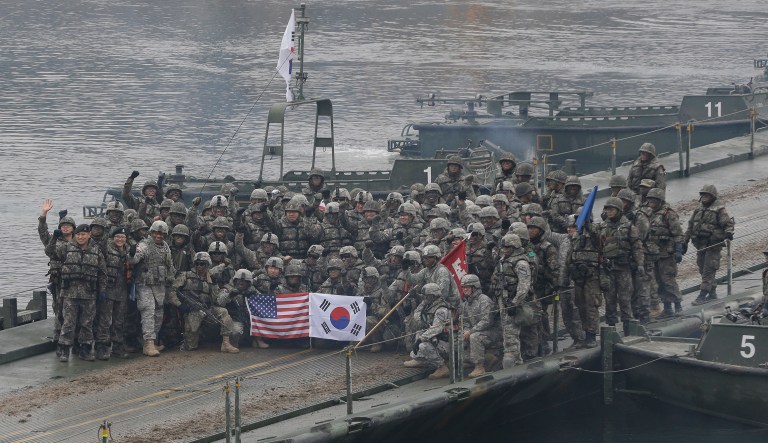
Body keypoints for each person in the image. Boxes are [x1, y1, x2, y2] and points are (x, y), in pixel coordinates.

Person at [46, 224, 107, 362]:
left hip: (89, 293)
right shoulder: (67, 247)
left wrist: (102, 290)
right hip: (70, 293)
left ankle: (85, 350)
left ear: (89, 235)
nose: (80, 237)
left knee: (87, 323)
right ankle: (64, 349)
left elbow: (103, 273)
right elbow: (49, 252)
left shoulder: (96, 250)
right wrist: (54, 238)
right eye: (78, 235)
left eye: (83, 235)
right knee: (68, 322)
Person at [168, 252, 239, 353]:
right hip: (192, 310)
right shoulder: (186, 275)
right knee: (191, 345)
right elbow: (172, 291)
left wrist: (214, 284)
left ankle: (226, 343)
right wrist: (180, 305)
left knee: (223, 312)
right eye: (197, 263)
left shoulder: (210, 278)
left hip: (207, 307)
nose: (199, 266)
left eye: (202, 264)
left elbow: (216, 299)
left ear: (207, 264)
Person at [130, 220, 175, 357]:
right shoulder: (144, 245)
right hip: (144, 284)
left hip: (160, 284)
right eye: (156, 233)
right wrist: (132, 254)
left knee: (159, 314)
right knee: (148, 311)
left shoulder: (166, 247)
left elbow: (169, 264)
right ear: (151, 233)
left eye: (161, 233)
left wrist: (172, 277)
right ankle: (148, 343)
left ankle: (152, 341)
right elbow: (135, 259)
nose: (158, 236)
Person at [599, 197, 644, 335]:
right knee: (610, 300)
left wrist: (640, 264)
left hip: (624, 268)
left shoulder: (629, 226)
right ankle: (611, 330)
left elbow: (637, 247)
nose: (609, 212)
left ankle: (628, 330)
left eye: (612, 209)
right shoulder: (602, 227)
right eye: (607, 209)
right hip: (608, 269)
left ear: (619, 210)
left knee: (625, 299)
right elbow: (599, 247)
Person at [684, 184, 734, 305]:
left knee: (708, 270)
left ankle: (702, 295)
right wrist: (684, 241)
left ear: (712, 197)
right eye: (703, 196)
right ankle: (712, 293)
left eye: (707, 196)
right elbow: (691, 225)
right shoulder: (699, 209)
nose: (704, 198)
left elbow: (728, 224)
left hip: (713, 245)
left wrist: (728, 233)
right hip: (700, 245)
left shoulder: (720, 210)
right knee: (702, 268)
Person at [492, 233, 532, 368]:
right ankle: (517, 359)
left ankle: (512, 357)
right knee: (506, 330)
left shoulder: (521, 263)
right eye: (503, 247)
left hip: (513, 303)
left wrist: (515, 303)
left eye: (507, 247)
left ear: (514, 247)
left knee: (511, 332)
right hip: (502, 300)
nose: (504, 249)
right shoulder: (503, 261)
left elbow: (524, 285)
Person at [645, 188, 684, 318]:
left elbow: (678, 234)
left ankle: (678, 305)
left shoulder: (669, 214)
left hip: (667, 254)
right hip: (654, 254)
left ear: (660, 200)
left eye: (654, 200)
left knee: (668, 280)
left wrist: (678, 250)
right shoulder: (648, 214)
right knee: (658, 282)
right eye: (649, 199)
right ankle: (667, 308)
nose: (651, 202)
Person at [94, 227, 131, 360]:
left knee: (119, 321)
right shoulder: (105, 248)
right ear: (113, 237)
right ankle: (101, 347)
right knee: (105, 320)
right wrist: (101, 289)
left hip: (122, 291)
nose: (120, 239)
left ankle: (117, 347)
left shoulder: (128, 251)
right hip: (108, 290)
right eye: (117, 237)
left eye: (122, 237)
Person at [403, 283, 452, 379]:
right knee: (420, 331)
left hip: (448, 342)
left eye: (426, 296)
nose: (424, 298)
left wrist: (421, 339)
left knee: (423, 345)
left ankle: (442, 367)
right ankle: (419, 359)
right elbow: (418, 318)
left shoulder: (441, 309)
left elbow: (437, 328)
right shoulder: (428, 305)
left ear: (433, 296)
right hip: (437, 339)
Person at [460, 274, 498, 378]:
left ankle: (479, 367)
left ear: (474, 287)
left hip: (492, 332)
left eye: (467, 287)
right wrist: (465, 331)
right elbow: (466, 321)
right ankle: (484, 358)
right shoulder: (466, 304)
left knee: (474, 337)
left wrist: (470, 332)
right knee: (459, 338)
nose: (464, 289)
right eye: (463, 287)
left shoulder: (484, 300)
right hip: (477, 331)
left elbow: (487, 321)